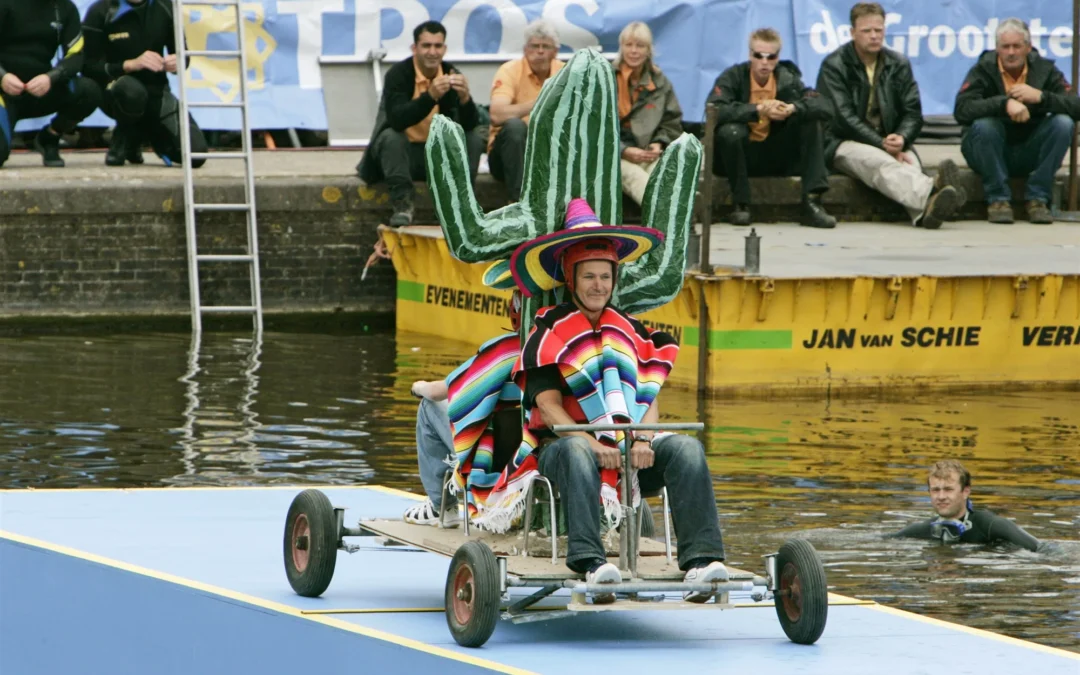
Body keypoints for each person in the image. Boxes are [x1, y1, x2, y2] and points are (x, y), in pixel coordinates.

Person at [493, 198, 728, 603]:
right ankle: (590, 563)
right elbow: (548, 407)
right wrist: (591, 443)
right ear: (572, 278)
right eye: (589, 277)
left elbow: (647, 394)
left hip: (627, 454)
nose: (598, 285)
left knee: (687, 449)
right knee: (576, 454)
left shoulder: (629, 330)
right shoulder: (549, 329)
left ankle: (701, 562)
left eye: (605, 276)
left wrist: (642, 440)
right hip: (562, 453)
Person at [816, 3, 964, 230]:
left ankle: (927, 213)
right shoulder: (834, 65)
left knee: (910, 164)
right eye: (867, 31)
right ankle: (933, 189)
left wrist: (902, 138)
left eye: (879, 30)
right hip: (842, 142)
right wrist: (882, 145)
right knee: (879, 163)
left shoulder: (899, 63)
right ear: (852, 33)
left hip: (890, 140)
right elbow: (842, 118)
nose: (874, 36)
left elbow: (913, 112)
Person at [404, 276, 524, 528]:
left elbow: (439, 392)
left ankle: (441, 506)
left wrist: (418, 387)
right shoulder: (567, 349)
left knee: (428, 406)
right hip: (533, 459)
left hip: (493, 458)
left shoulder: (502, 351)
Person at [357, 21, 484, 226]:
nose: (432, 52)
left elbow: (469, 126)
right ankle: (403, 205)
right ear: (414, 48)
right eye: (426, 46)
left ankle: (460, 207)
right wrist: (430, 96)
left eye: (438, 46)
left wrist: (465, 99)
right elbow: (397, 120)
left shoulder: (451, 73)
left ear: (445, 49)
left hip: (436, 157)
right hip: (402, 156)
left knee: (474, 139)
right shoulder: (398, 74)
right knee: (391, 137)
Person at [707, 27, 836, 229]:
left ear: (778, 58)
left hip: (775, 152)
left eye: (771, 56)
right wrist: (757, 110)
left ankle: (812, 201)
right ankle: (741, 204)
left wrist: (793, 108)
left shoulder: (788, 79)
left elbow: (824, 106)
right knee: (730, 131)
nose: (764, 62)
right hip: (740, 155)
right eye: (759, 56)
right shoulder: (732, 76)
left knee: (812, 120)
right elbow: (714, 110)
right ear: (750, 55)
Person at [955, 17, 1080, 225]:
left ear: (1028, 47)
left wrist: (1041, 97)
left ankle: (1038, 198)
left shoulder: (1045, 70)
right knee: (984, 126)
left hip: (1029, 149)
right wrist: (1004, 104)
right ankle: (998, 200)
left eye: (1016, 46)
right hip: (989, 151)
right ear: (997, 49)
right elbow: (962, 109)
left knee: (1063, 123)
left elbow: (1075, 105)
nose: (1011, 52)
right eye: (1005, 47)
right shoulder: (982, 69)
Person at [82, 0, 208, 168]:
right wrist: (130, 64)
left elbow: (183, 55)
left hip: (156, 92)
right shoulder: (100, 10)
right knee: (132, 91)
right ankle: (123, 139)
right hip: (115, 91)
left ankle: (142, 136)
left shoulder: (166, 7)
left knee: (196, 155)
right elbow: (88, 67)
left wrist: (177, 62)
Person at [0, 0, 103, 168]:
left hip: (40, 90)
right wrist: (3, 77)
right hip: (4, 93)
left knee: (89, 92)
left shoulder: (66, 7)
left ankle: (49, 138)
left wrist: (51, 77)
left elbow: (76, 55)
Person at [488, 20, 565, 203]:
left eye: (545, 46)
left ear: (555, 51)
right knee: (515, 127)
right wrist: (539, 102)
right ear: (525, 50)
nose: (539, 51)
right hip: (507, 156)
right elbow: (496, 115)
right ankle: (519, 204)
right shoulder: (509, 70)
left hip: (550, 153)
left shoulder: (565, 73)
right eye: (534, 46)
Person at [889, 460, 1040, 551]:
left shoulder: (990, 525)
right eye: (935, 490)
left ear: (965, 491)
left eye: (948, 489)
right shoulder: (923, 529)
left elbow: (1042, 548)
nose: (941, 497)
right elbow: (881, 540)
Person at [611, 21, 683, 206]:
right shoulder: (606, 77)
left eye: (640, 46)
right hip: (612, 155)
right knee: (636, 178)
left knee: (663, 176)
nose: (634, 51)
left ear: (648, 50)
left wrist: (659, 143)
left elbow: (672, 121)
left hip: (648, 152)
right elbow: (592, 126)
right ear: (621, 48)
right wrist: (623, 150)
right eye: (629, 45)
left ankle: (667, 226)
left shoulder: (659, 81)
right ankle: (665, 223)